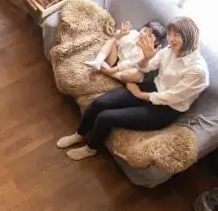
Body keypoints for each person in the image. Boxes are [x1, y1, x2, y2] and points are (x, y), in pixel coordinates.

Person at [56, 17, 209, 161]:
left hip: (166, 109)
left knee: (105, 117)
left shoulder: (197, 71)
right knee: (99, 103)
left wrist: (139, 94)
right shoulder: (170, 50)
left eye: (177, 35)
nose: (171, 39)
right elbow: (146, 68)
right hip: (153, 88)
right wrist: (146, 57)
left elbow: (172, 97)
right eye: (170, 34)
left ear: (189, 38)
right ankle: (79, 134)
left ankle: (91, 148)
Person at [85, 20, 167, 83]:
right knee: (112, 40)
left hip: (124, 70)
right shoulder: (133, 34)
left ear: (155, 42)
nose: (144, 35)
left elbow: (129, 64)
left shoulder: (146, 52)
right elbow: (116, 38)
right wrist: (120, 34)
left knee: (137, 74)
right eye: (145, 30)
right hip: (115, 60)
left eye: (149, 36)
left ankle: (108, 72)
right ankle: (98, 61)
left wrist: (111, 71)